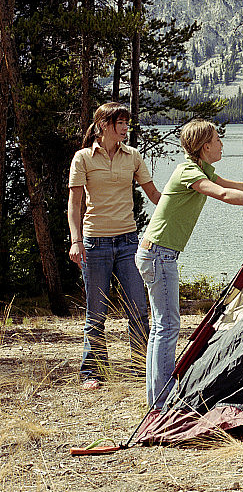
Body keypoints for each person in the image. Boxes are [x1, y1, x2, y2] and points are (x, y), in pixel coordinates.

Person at [135, 119, 243, 408]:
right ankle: (161, 401)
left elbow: (234, 185)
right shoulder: (188, 172)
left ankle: (157, 397)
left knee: (161, 327)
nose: (221, 144)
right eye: (217, 140)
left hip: (156, 253)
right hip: (158, 255)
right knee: (166, 327)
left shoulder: (201, 169)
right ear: (205, 146)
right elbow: (224, 194)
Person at [68, 102, 161, 390]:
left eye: (126, 123)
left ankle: (142, 367)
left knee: (138, 308)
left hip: (128, 242)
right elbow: (74, 204)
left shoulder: (132, 156)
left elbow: (155, 195)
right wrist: (76, 241)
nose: (125, 128)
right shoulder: (83, 158)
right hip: (94, 243)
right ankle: (92, 372)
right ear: (103, 125)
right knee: (96, 312)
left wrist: (186, 198)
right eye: (120, 123)